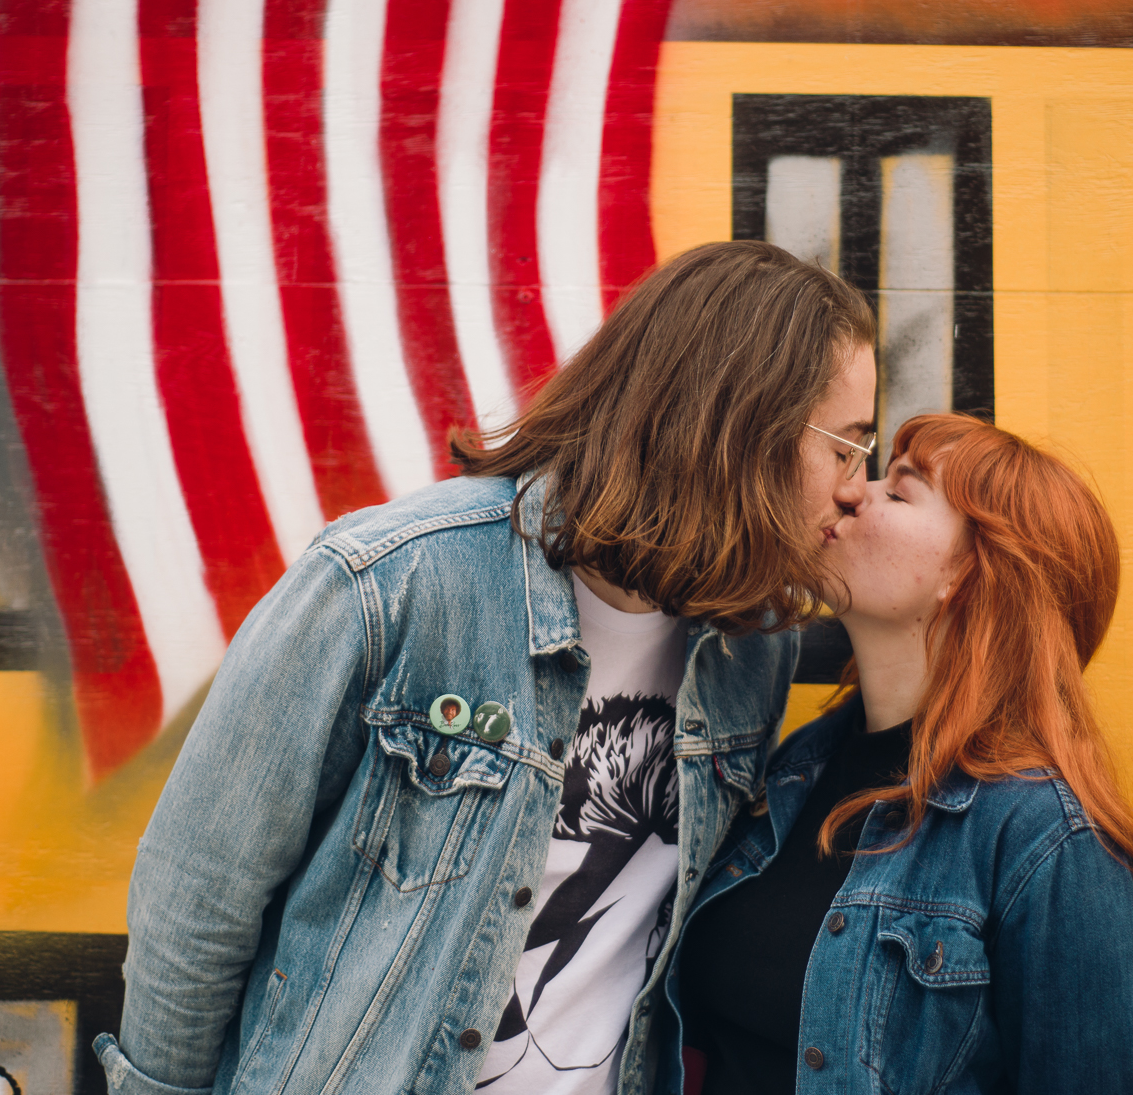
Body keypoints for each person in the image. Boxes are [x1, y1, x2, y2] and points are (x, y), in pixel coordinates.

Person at [95, 241, 878, 1095]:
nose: (859, 488)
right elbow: (196, 899)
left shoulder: (750, 648)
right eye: (846, 446)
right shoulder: (391, 581)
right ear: (740, 425)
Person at [663, 413, 1133, 1095]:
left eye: (899, 492)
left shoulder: (1049, 838)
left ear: (968, 574)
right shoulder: (795, 769)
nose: (851, 493)